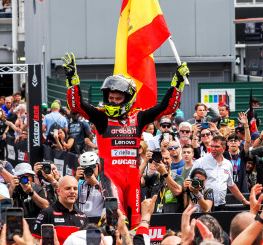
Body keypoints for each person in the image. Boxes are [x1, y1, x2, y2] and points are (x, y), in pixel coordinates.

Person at [63, 52, 188, 226]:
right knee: (116, 220)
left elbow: (166, 106)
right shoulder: (101, 118)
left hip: (133, 180)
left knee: (136, 223)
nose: (113, 102)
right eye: (110, 98)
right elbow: (76, 105)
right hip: (110, 178)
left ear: (128, 99)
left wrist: (178, 82)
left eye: (118, 99)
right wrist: (72, 79)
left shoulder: (138, 118)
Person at [192, 135, 250, 210]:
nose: (213, 149)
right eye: (211, 146)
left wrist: (244, 201)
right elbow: (189, 182)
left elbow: (231, 185)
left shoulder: (228, 164)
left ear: (223, 148)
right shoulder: (200, 162)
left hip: (221, 205)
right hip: (204, 206)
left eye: (216, 147)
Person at [141, 148, 183, 213]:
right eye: (161, 158)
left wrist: (164, 173)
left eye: (167, 158)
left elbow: (177, 191)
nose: (164, 161)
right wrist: (145, 162)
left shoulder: (178, 178)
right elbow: (136, 181)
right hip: (155, 218)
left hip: (173, 218)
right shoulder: (153, 177)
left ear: (171, 160)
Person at [76, 152, 110, 217]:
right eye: (85, 167)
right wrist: (75, 179)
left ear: (98, 166)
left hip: (99, 220)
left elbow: (110, 200)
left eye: (93, 166)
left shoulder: (105, 182)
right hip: (82, 220)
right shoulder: (80, 183)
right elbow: (68, 199)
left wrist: (96, 184)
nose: (90, 170)